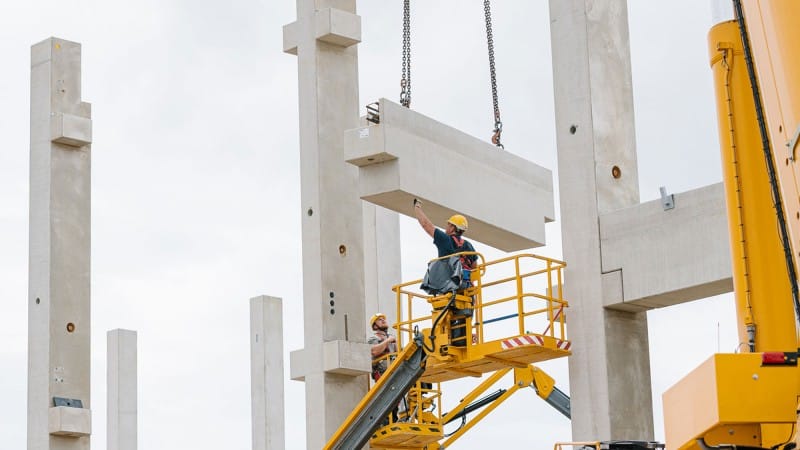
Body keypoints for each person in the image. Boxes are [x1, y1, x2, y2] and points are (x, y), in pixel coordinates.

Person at [412, 198, 478, 283]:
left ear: (452, 227)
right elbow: (475, 268)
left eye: (448, 224)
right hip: (465, 285)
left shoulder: (445, 239)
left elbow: (426, 225)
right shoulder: (468, 245)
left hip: (448, 284)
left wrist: (417, 207)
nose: (446, 227)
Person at [367, 313, 397, 382]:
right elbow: (374, 351)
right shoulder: (373, 338)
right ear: (375, 326)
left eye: (383, 319)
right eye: (379, 320)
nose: (383, 320)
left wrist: (396, 342)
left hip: (393, 367)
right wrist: (388, 340)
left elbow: (400, 353)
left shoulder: (391, 338)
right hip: (382, 370)